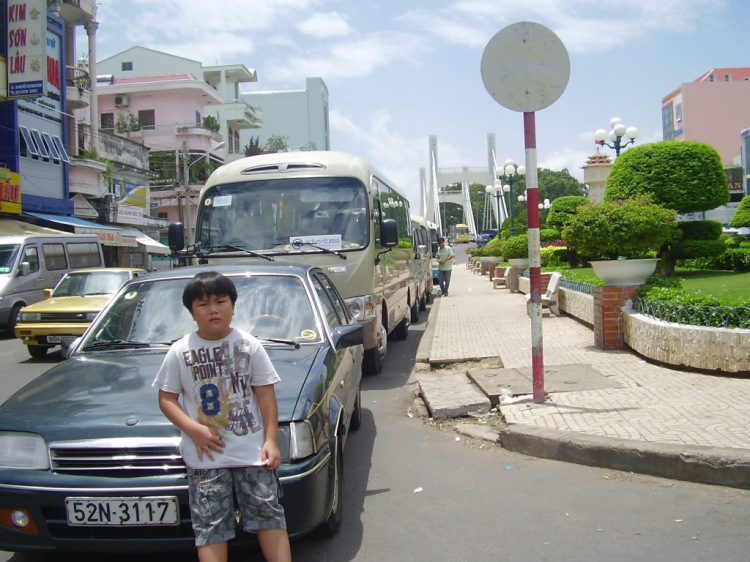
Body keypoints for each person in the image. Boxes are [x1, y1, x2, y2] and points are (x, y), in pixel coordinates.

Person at [153, 271, 292, 562]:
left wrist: (271, 440)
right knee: (210, 526)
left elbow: (266, 396)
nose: (213, 309)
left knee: (269, 515)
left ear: (233, 305)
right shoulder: (180, 351)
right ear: (191, 312)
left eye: (220, 301)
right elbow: (167, 399)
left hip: (252, 454)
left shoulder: (250, 346)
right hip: (206, 458)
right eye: (202, 304)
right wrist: (194, 430)